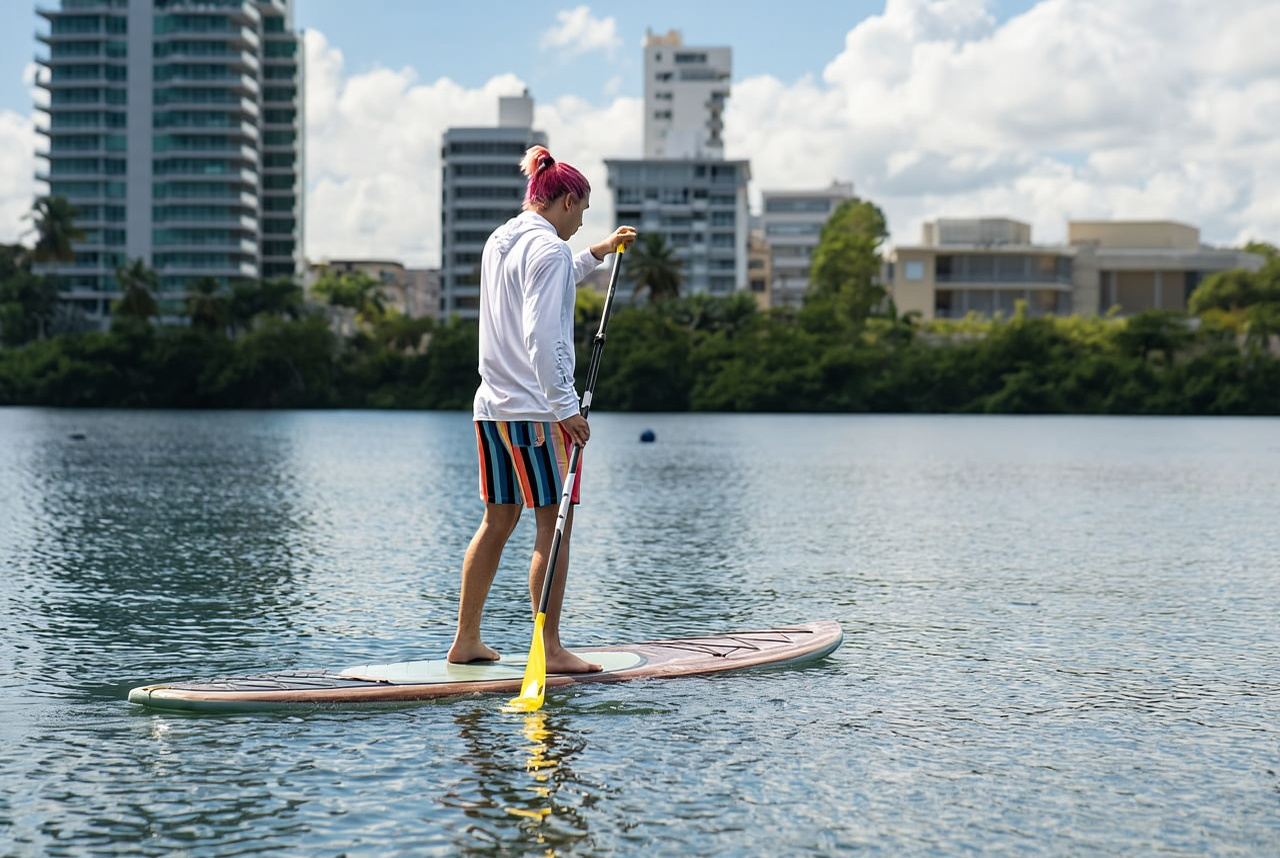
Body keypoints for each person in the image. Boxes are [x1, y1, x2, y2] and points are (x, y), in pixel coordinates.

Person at [447, 144, 635, 673]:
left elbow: (550, 278)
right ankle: (548, 648)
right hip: (537, 411)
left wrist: (598, 252)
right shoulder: (548, 250)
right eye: (583, 212)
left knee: (498, 519)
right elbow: (543, 335)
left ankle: (466, 640)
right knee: (554, 524)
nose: (582, 223)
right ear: (567, 200)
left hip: (491, 408)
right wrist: (565, 408)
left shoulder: (501, 239)